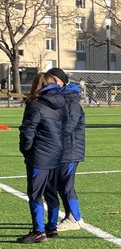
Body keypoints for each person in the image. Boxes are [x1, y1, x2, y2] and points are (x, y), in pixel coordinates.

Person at [17, 73, 66, 243]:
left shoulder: (35, 104)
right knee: (51, 192)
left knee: (36, 194)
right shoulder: (61, 103)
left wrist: (26, 150)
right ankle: (51, 228)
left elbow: (27, 131)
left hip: (40, 155)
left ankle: (39, 231)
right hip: (56, 153)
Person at [46, 68, 85, 231]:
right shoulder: (62, 97)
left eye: (52, 80)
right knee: (61, 184)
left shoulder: (70, 99)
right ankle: (72, 216)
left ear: (59, 81)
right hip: (63, 148)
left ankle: (75, 218)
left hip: (70, 149)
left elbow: (69, 124)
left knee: (66, 184)